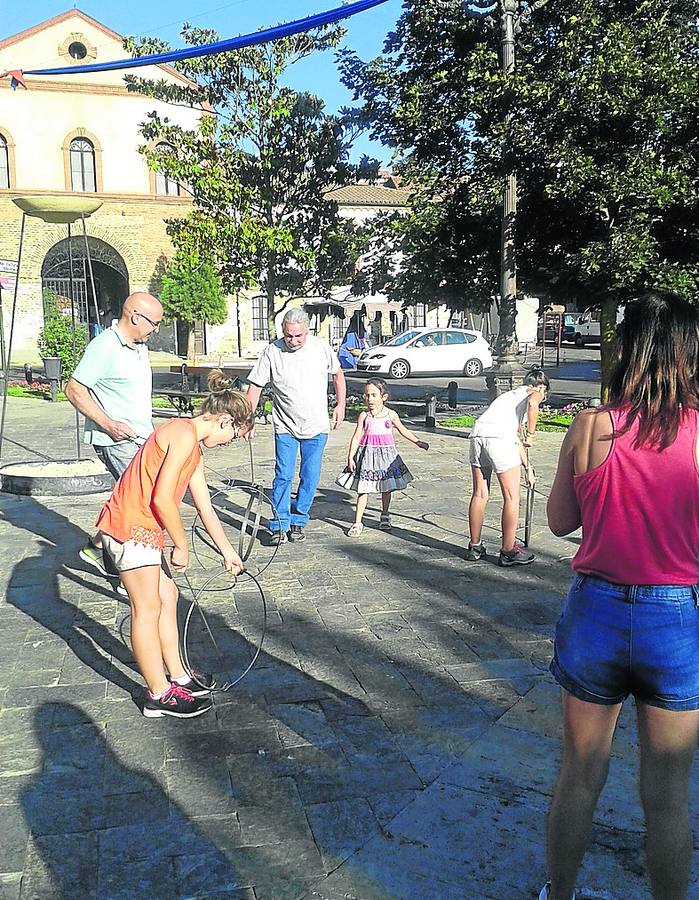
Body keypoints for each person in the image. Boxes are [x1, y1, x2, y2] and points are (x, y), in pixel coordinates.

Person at [541, 292, 699, 900]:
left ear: (627, 348)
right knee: (668, 799)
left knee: (579, 775)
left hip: (597, 613)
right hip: (675, 620)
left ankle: (560, 895)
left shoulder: (591, 426)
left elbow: (558, 521)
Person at [96, 370, 255, 718]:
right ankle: (157, 694)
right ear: (226, 421)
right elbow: (164, 498)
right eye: (234, 436)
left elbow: (205, 506)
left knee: (168, 598)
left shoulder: (192, 447)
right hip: (129, 526)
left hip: (143, 529)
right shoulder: (181, 434)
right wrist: (180, 544)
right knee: (147, 609)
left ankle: (178, 676)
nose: (229, 443)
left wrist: (228, 552)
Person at [66, 292, 163, 588]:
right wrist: (109, 424)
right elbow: (74, 389)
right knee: (142, 505)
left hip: (139, 438)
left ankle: (98, 546)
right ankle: (129, 575)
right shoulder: (105, 346)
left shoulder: (137, 345)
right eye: (153, 323)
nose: (156, 329)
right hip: (116, 441)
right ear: (135, 316)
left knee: (133, 500)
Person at [245, 308, 346, 544]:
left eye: (298, 336)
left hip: (317, 425)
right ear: (283, 332)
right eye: (289, 336)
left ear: (307, 331)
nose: (293, 341)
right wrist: (247, 419)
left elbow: (338, 375)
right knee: (283, 475)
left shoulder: (321, 348)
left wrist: (340, 405)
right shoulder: (272, 351)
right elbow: (255, 387)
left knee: (310, 476)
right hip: (285, 425)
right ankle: (280, 524)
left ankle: (299, 520)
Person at [466, 367, 549, 566]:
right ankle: (508, 550)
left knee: (480, 493)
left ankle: (475, 546)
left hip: (478, 435)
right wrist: (531, 433)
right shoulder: (534, 391)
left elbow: (515, 440)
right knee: (511, 496)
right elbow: (533, 404)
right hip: (499, 440)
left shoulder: (509, 397)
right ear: (542, 388)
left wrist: (528, 468)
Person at [337, 378, 428, 536]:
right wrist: (350, 457)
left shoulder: (390, 415)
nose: (370, 399)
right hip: (367, 457)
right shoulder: (364, 416)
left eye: (374, 395)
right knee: (362, 489)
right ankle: (358, 522)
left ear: (383, 397)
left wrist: (417, 441)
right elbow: (357, 437)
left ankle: (385, 514)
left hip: (386, 457)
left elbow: (403, 430)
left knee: (386, 487)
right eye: (367, 395)